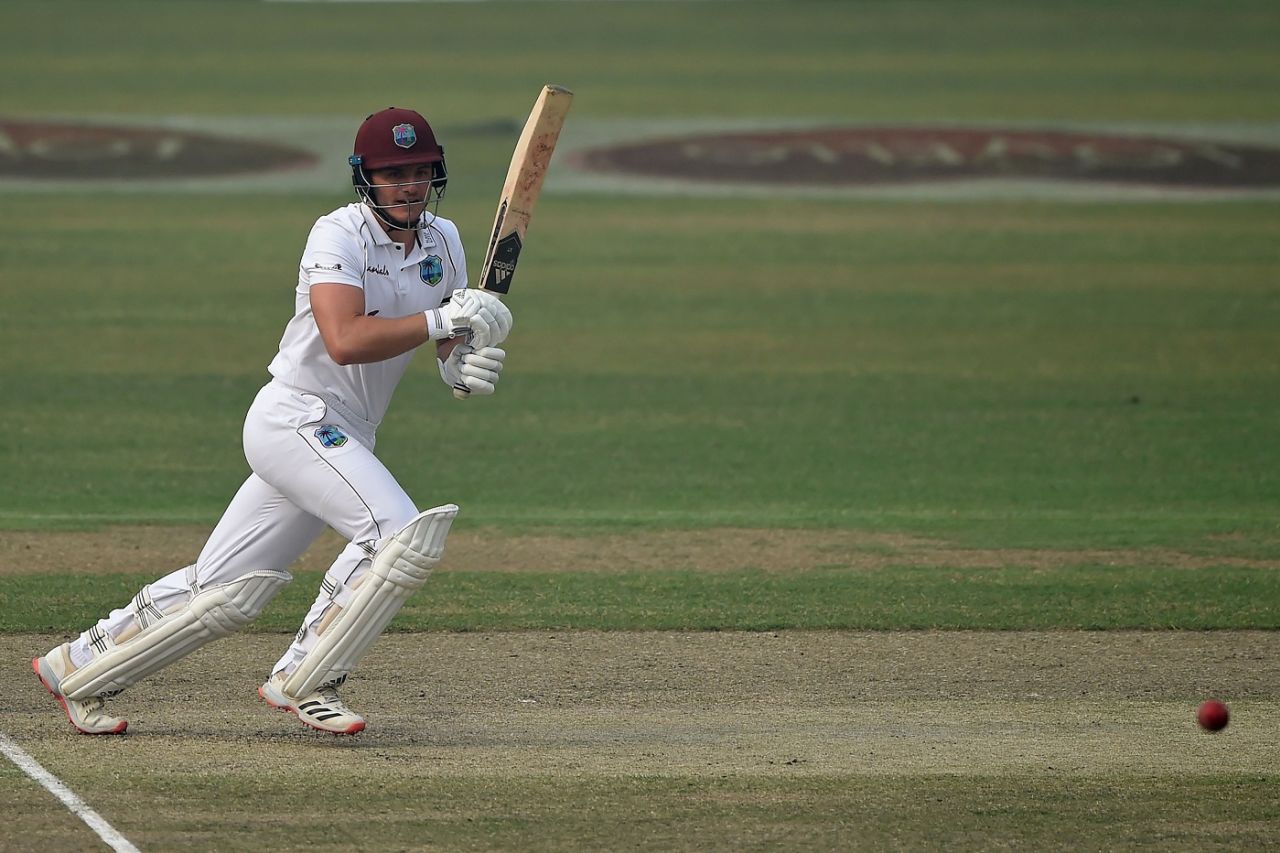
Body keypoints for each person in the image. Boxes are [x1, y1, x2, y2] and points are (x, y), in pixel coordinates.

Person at [32, 107, 512, 735]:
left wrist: (456, 363)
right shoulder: (336, 235)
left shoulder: (444, 240)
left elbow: (441, 334)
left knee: (223, 590)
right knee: (396, 533)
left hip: (345, 434)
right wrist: (439, 325)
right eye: (393, 173)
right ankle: (306, 676)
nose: (409, 185)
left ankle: (77, 662)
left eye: (420, 172)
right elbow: (343, 338)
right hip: (295, 418)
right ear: (365, 176)